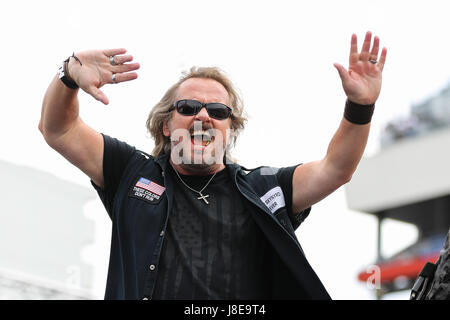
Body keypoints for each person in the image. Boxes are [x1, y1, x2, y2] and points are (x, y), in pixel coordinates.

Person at [39, 31, 387, 300]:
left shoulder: (263, 189)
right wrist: (69, 75)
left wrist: (360, 107)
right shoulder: (132, 172)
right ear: (166, 124)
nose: (203, 116)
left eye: (218, 112)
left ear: (230, 129)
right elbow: (59, 129)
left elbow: (336, 169)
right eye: (188, 108)